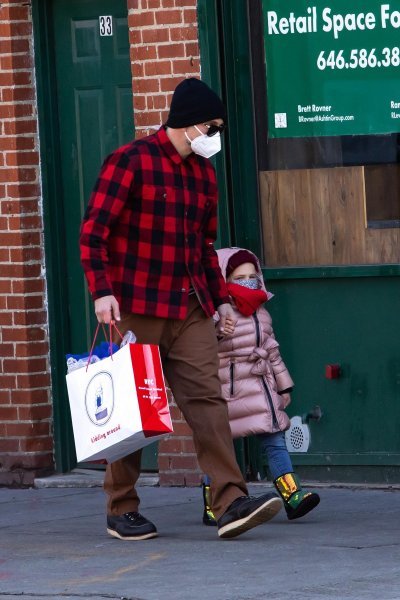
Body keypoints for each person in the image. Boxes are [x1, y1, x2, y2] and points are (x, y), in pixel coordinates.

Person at [80, 77, 283, 541]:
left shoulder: (203, 174)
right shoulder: (130, 163)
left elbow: (203, 247)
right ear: (189, 123)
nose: (216, 135)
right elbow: (94, 233)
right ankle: (121, 508)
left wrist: (218, 304)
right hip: (136, 305)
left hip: (189, 306)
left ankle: (230, 501)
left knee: (208, 402)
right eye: (212, 126)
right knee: (133, 411)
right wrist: (101, 292)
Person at [201, 247, 320, 526]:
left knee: (275, 440)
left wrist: (283, 387)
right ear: (223, 279)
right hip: (227, 389)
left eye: (253, 276)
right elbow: (200, 348)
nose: (248, 282)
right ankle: (213, 503)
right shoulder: (216, 313)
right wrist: (217, 332)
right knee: (220, 448)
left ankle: (293, 495)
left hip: (261, 387)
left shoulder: (261, 312)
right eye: (240, 277)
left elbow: (272, 351)